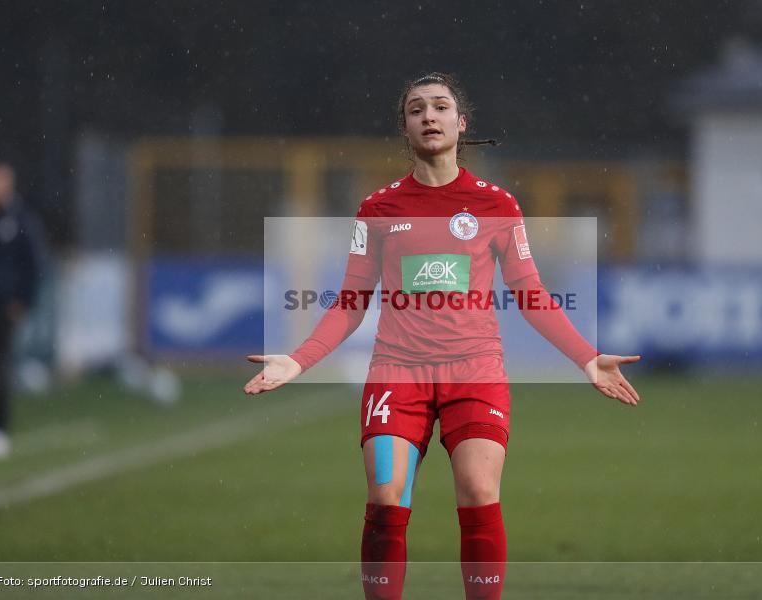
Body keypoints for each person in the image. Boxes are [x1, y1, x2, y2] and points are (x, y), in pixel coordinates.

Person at [244, 72, 641, 600]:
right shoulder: (378, 209)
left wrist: (586, 358)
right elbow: (350, 302)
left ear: (461, 123)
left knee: (478, 490)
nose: (429, 116)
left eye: (439, 107)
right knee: (387, 496)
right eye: (416, 109)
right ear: (404, 129)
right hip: (396, 375)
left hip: (475, 374)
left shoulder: (497, 205)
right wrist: (297, 361)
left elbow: (531, 292)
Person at [0, 161, 45, 459]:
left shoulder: (20, 220)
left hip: (3, 308)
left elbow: (33, 265)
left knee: (1, 369)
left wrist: (23, 299)